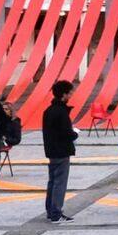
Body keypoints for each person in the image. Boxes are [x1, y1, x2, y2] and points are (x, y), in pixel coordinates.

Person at [42, 79, 77, 222]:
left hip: (51, 150)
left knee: (53, 181)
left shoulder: (48, 111)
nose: (71, 95)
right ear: (64, 94)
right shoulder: (61, 112)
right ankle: (56, 212)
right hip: (61, 151)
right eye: (69, 93)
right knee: (60, 183)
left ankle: (50, 210)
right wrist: (75, 134)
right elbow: (65, 132)